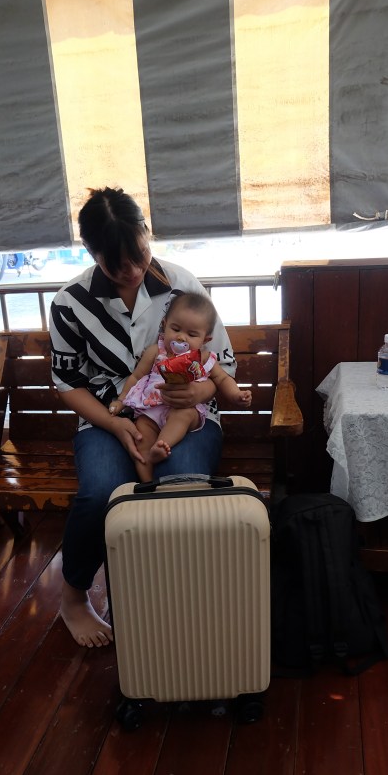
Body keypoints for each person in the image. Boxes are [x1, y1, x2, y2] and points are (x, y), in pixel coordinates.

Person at [50, 187, 237, 648]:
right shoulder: (70, 303)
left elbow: (223, 365)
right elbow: (67, 383)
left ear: (146, 233)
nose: (132, 271)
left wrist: (200, 389)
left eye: (138, 255)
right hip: (107, 416)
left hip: (186, 413)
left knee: (182, 486)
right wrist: (115, 423)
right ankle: (73, 598)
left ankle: (176, 599)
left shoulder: (183, 286)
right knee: (99, 494)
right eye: (116, 264)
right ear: (90, 251)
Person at [108, 291, 251, 481]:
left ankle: (162, 444)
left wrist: (236, 395)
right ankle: (148, 486)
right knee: (141, 436)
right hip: (151, 410)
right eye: (175, 329)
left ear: (205, 340)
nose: (181, 338)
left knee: (183, 415)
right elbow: (136, 376)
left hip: (184, 409)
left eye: (192, 334)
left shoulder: (204, 358)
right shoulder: (156, 352)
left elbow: (222, 379)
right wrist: (121, 400)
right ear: (164, 324)